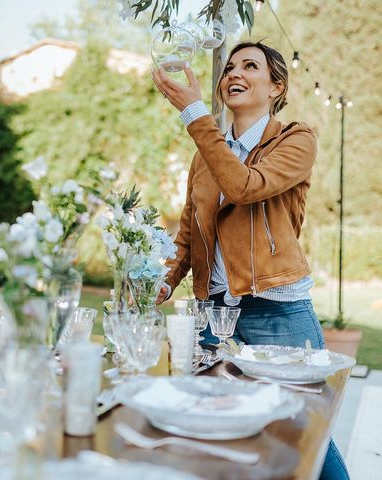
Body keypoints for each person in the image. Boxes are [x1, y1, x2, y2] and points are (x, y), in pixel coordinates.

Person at [152, 41, 349, 480]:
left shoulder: (296, 140)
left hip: (276, 308)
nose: (234, 74)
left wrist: (194, 115)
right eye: (229, 68)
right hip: (212, 310)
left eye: (250, 66)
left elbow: (245, 186)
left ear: (276, 86)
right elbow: (188, 232)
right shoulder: (207, 152)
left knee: (303, 427)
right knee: (209, 424)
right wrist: (165, 281)